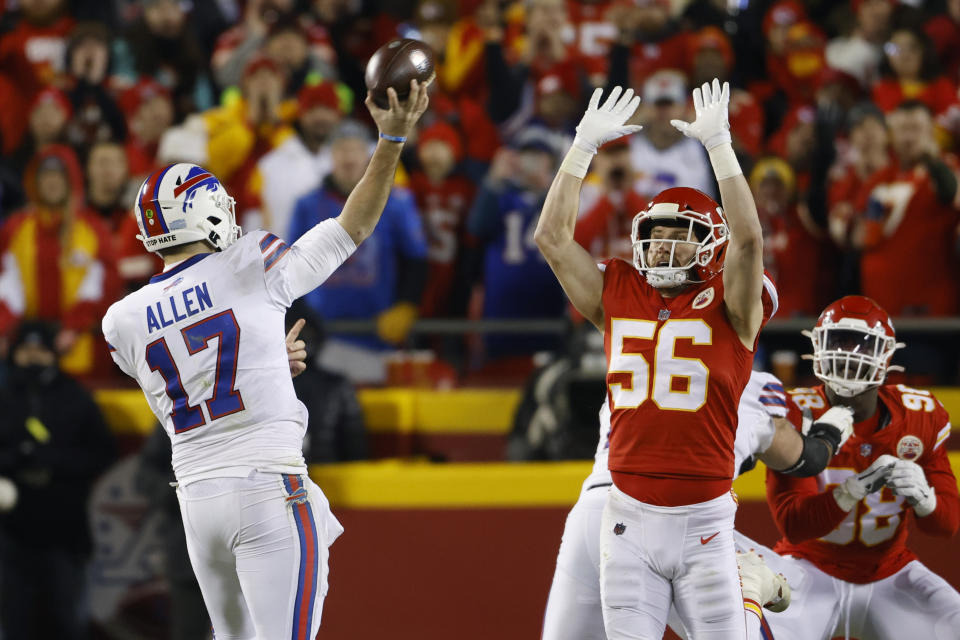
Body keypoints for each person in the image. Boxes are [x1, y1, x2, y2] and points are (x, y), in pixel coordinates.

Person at [102, 79, 429, 639]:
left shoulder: (123, 320)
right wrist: (392, 139)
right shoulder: (248, 262)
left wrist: (264, 357)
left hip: (197, 501)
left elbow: (195, 371)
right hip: (265, 485)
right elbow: (353, 228)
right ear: (203, 215)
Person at [534, 80, 774, 638]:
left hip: (706, 521)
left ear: (709, 245)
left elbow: (749, 241)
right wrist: (581, 149)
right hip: (626, 516)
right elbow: (551, 236)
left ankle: (753, 601)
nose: (665, 245)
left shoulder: (733, 305)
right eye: (657, 233)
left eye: (681, 235)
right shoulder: (618, 290)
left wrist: (720, 147)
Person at [540, 369, 856, 640]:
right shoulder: (747, 382)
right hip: (670, 517)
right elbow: (802, 459)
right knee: (802, 606)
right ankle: (748, 595)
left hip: (593, 510)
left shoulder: (634, 353)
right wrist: (829, 435)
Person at [763, 295, 960, 639]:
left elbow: (947, 526)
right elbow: (795, 524)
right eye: (838, 342)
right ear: (818, 347)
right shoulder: (796, 411)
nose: (848, 355)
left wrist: (926, 500)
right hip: (808, 567)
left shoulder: (919, 416)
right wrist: (852, 490)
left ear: (886, 355)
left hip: (889, 571)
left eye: (861, 345)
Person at [287, 119, 428, 383]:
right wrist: (301, 319)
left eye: (355, 149)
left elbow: (416, 259)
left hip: (377, 336)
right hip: (322, 337)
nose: (349, 157)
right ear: (330, 155)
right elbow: (289, 267)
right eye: (341, 149)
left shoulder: (397, 201)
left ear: (368, 155)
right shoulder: (306, 204)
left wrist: (407, 304)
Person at [0, 320, 116, 639]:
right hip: (11, 530)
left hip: (64, 527)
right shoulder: (4, 397)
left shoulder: (76, 396)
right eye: (26, 350)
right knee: (14, 620)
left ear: (54, 353)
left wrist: (53, 461)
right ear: (14, 354)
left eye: (40, 350)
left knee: (69, 620)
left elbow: (102, 453)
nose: (33, 358)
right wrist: (15, 457)